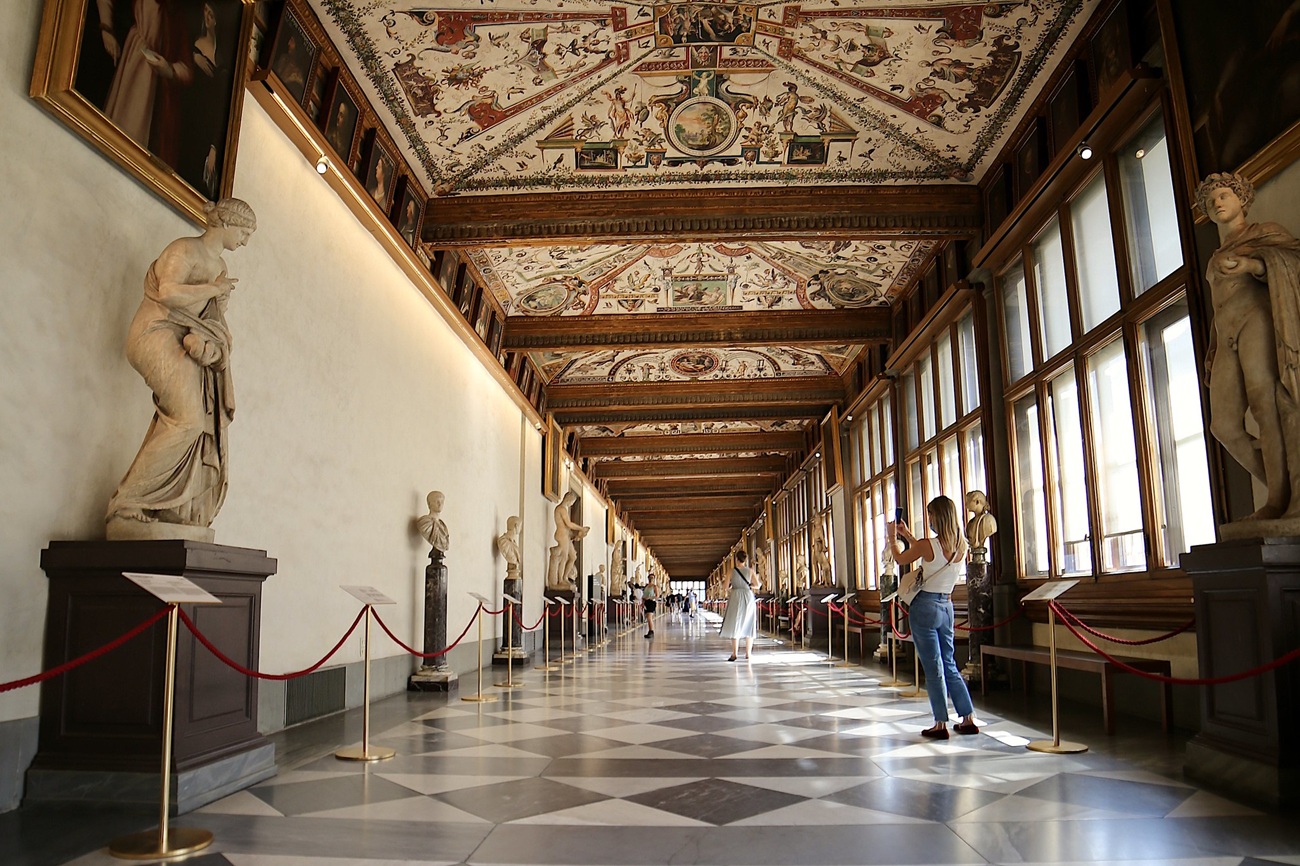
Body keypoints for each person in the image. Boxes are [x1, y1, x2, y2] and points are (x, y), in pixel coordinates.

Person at [106, 199, 256, 537]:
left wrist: (216, 342)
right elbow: (168, 294)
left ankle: (169, 506)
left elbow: (211, 319)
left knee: (190, 420)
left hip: (183, 341)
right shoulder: (184, 250)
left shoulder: (217, 265)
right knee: (187, 420)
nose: (244, 241)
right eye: (244, 232)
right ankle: (128, 502)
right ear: (228, 223)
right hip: (156, 332)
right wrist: (213, 289)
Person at [1198, 172, 1300, 520]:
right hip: (1225, 334)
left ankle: (1277, 500)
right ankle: (1280, 488)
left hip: (1255, 322)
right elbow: (1218, 307)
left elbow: (1294, 263)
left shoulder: (1264, 233)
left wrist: (1252, 264)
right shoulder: (1215, 255)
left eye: (1224, 195)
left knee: (1265, 408)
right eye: (1211, 202)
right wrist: (1212, 350)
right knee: (1223, 426)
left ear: (1242, 199)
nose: (1217, 203)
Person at [888, 495, 979, 739]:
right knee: (949, 663)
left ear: (937, 516)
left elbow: (901, 558)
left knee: (933, 666)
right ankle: (967, 716)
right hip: (947, 607)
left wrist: (891, 537)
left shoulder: (928, 544)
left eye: (930, 515)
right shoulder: (962, 546)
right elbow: (932, 556)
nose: (928, 519)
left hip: (925, 607)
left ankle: (940, 723)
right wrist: (908, 535)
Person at [718, 550, 759, 661]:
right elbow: (758, 585)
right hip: (748, 596)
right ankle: (748, 654)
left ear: (736, 559)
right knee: (749, 623)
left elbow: (725, 587)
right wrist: (749, 586)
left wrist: (732, 586)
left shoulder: (731, 571)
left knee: (735, 623)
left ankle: (734, 653)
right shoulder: (750, 571)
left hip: (736, 596)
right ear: (745, 560)